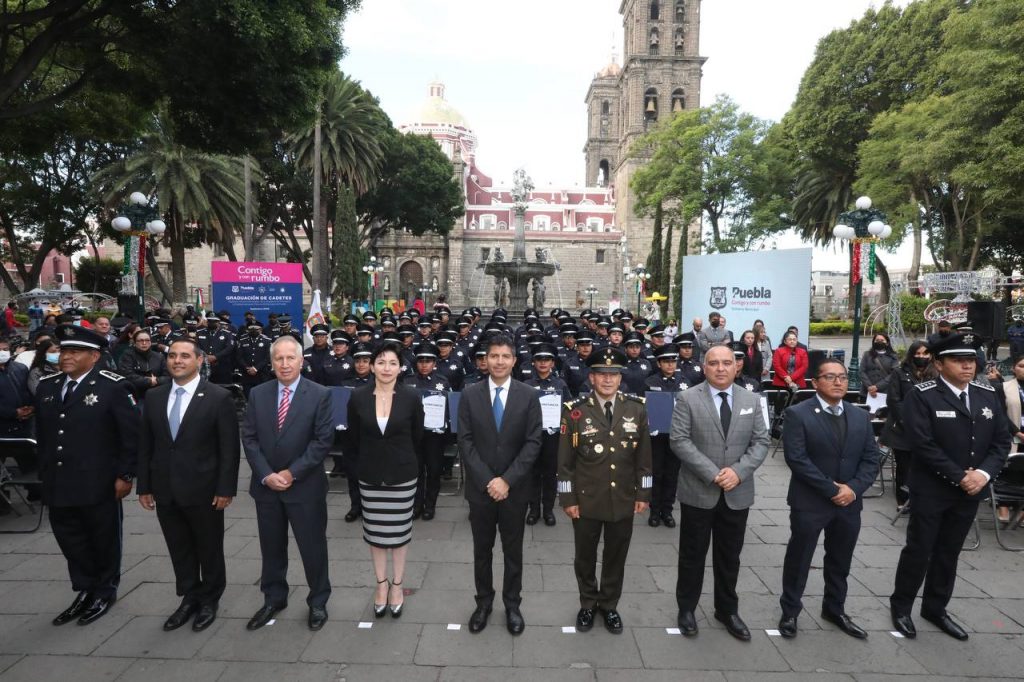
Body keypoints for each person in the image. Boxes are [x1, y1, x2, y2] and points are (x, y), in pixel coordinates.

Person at [889, 332, 1011, 641]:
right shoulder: (923, 394)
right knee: (920, 548)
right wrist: (960, 475)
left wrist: (982, 475)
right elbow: (922, 443)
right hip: (933, 488)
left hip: (970, 490)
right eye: (959, 361)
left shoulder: (986, 392)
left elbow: (1001, 441)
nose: (968, 367)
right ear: (940, 364)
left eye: (970, 361)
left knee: (949, 551)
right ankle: (902, 606)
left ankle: (935, 607)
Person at [36, 324, 139, 626]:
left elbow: (130, 435)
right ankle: (84, 588)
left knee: (103, 538)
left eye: (74, 351)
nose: (65, 357)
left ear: (93, 356)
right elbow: (44, 433)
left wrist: (126, 474)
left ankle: (104, 590)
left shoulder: (113, 386)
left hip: (98, 480)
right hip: (59, 480)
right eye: (64, 351)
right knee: (70, 538)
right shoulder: (48, 386)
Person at [137, 338, 239, 632]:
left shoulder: (218, 397)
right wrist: (144, 485)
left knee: (208, 547)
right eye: (171, 356)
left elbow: (229, 450)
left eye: (184, 356)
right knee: (178, 547)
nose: (177, 361)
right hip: (166, 489)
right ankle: (189, 596)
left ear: (199, 360)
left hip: (204, 490)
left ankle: (210, 598)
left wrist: (225, 489)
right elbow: (146, 445)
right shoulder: (155, 397)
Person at [669, 345, 769, 641]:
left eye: (727, 362)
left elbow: (762, 441)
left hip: (737, 493)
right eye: (714, 363)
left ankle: (726, 609)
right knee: (692, 555)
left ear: (737, 366)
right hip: (699, 490)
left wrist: (738, 472)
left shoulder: (752, 399)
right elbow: (679, 440)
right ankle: (686, 608)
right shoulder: (687, 398)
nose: (721, 368)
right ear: (704, 366)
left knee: (730, 557)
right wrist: (713, 473)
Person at [777, 359, 880, 639]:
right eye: (830, 377)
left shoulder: (860, 416)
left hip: (849, 503)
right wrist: (832, 489)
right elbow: (797, 459)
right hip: (810, 502)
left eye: (843, 377)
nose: (838, 382)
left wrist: (853, 489)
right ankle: (790, 611)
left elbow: (871, 458)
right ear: (815, 382)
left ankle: (834, 608)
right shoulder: (798, 414)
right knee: (800, 559)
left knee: (840, 560)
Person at [241, 335, 334, 632]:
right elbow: (250, 438)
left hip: (304, 488)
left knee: (312, 547)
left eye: (290, 358)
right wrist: (267, 474)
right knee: (271, 547)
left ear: (301, 361)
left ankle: (318, 601)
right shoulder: (258, 394)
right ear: (271, 363)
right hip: (267, 487)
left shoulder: (320, 394)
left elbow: (322, 442)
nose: (284, 364)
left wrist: (292, 473)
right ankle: (274, 597)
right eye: (278, 359)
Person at [557, 346, 652, 634]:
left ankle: (609, 605)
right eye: (601, 374)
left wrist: (643, 494)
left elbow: (644, 458)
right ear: (591, 378)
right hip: (586, 500)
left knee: (616, 555)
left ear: (621, 379)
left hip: (623, 498)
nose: (608, 380)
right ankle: (588, 603)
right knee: (584, 557)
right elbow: (565, 463)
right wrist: (567, 498)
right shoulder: (574, 412)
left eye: (614, 374)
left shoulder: (636, 409)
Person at [457, 335, 543, 635]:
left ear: (514, 360)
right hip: (480, 491)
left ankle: (512, 604)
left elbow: (533, 443)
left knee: (512, 551)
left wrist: (506, 480)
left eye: (505, 356)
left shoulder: (529, 395)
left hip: (515, 490)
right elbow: (465, 442)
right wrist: (487, 480)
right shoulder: (469, 394)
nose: (499, 361)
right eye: (494, 356)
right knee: (482, 551)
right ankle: (483, 602)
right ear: (485, 360)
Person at [346, 343, 424, 618]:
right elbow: (353, 439)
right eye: (381, 362)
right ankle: (381, 584)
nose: (386, 368)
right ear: (371, 366)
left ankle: (398, 585)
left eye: (392, 362)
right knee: (376, 536)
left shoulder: (411, 398)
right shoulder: (357, 397)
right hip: (370, 475)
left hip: (402, 476)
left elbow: (417, 437)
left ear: (401, 367)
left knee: (399, 535)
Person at [879, 342, 937, 509]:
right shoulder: (899, 372)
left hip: (926, 428)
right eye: (917, 354)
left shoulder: (935, 373)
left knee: (923, 466)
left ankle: (920, 498)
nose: (921, 357)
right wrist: (907, 421)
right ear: (912, 355)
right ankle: (902, 501)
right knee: (904, 466)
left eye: (925, 353)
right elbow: (893, 399)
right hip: (902, 429)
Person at [523, 342, 572, 526]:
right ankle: (534, 509)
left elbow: (568, 410)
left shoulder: (560, 384)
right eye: (539, 359)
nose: (543, 363)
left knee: (551, 474)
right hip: (532, 437)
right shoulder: (526, 385)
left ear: (552, 363)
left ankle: (549, 510)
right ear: (533, 362)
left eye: (547, 359)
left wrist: (560, 425)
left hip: (553, 437)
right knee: (532, 474)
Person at [644, 343, 686, 528]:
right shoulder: (650, 382)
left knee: (672, 474)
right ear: (659, 363)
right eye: (666, 362)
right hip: (656, 437)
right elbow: (642, 407)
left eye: (673, 361)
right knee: (656, 473)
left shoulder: (685, 382)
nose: (670, 365)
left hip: (678, 436)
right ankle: (654, 511)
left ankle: (667, 511)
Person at [118, 329, 168, 396]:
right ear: (135, 342)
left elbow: (168, 377)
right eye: (141, 340)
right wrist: (149, 381)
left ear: (150, 342)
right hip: (136, 394)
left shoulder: (159, 357)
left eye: (147, 340)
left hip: (157, 394)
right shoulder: (128, 355)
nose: (144, 343)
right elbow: (127, 375)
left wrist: (157, 380)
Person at [859, 332, 899, 398]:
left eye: (882, 340)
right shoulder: (867, 354)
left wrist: (877, 387)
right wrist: (869, 387)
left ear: (887, 342)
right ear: (873, 342)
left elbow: (894, 374)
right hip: (867, 392)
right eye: (877, 340)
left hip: (885, 392)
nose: (879, 342)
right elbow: (861, 371)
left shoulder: (893, 356)